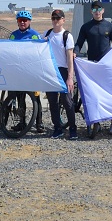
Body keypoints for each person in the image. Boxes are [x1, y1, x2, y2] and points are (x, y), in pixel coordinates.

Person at [75, 1, 112, 134]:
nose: (97, 11)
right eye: (94, 9)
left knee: (110, 94)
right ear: (91, 11)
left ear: (103, 10)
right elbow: (79, 43)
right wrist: (74, 53)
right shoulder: (86, 27)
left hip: (106, 65)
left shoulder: (110, 26)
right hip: (92, 66)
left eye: (99, 9)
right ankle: (97, 123)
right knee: (94, 95)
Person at [7, 10, 45, 133]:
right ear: (17, 22)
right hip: (19, 71)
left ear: (29, 21)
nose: (22, 22)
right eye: (20, 20)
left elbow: (40, 53)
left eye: (25, 20)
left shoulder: (35, 35)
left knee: (36, 98)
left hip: (32, 71)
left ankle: (39, 123)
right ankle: (22, 122)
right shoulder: (13, 35)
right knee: (20, 98)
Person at [45, 9, 77, 139]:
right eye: (53, 18)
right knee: (52, 101)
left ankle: (73, 128)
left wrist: (70, 77)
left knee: (67, 101)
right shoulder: (47, 34)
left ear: (63, 20)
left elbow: (70, 59)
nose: (55, 21)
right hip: (50, 71)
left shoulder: (67, 36)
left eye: (58, 18)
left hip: (63, 71)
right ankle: (57, 128)